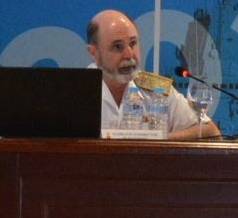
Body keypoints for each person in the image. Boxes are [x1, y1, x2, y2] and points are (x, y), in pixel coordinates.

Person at [86, 9, 220, 140]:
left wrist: (158, 141)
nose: (129, 55)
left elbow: (211, 132)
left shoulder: (156, 88)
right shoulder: (76, 92)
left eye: (133, 43)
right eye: (117, 47)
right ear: (93, 53)